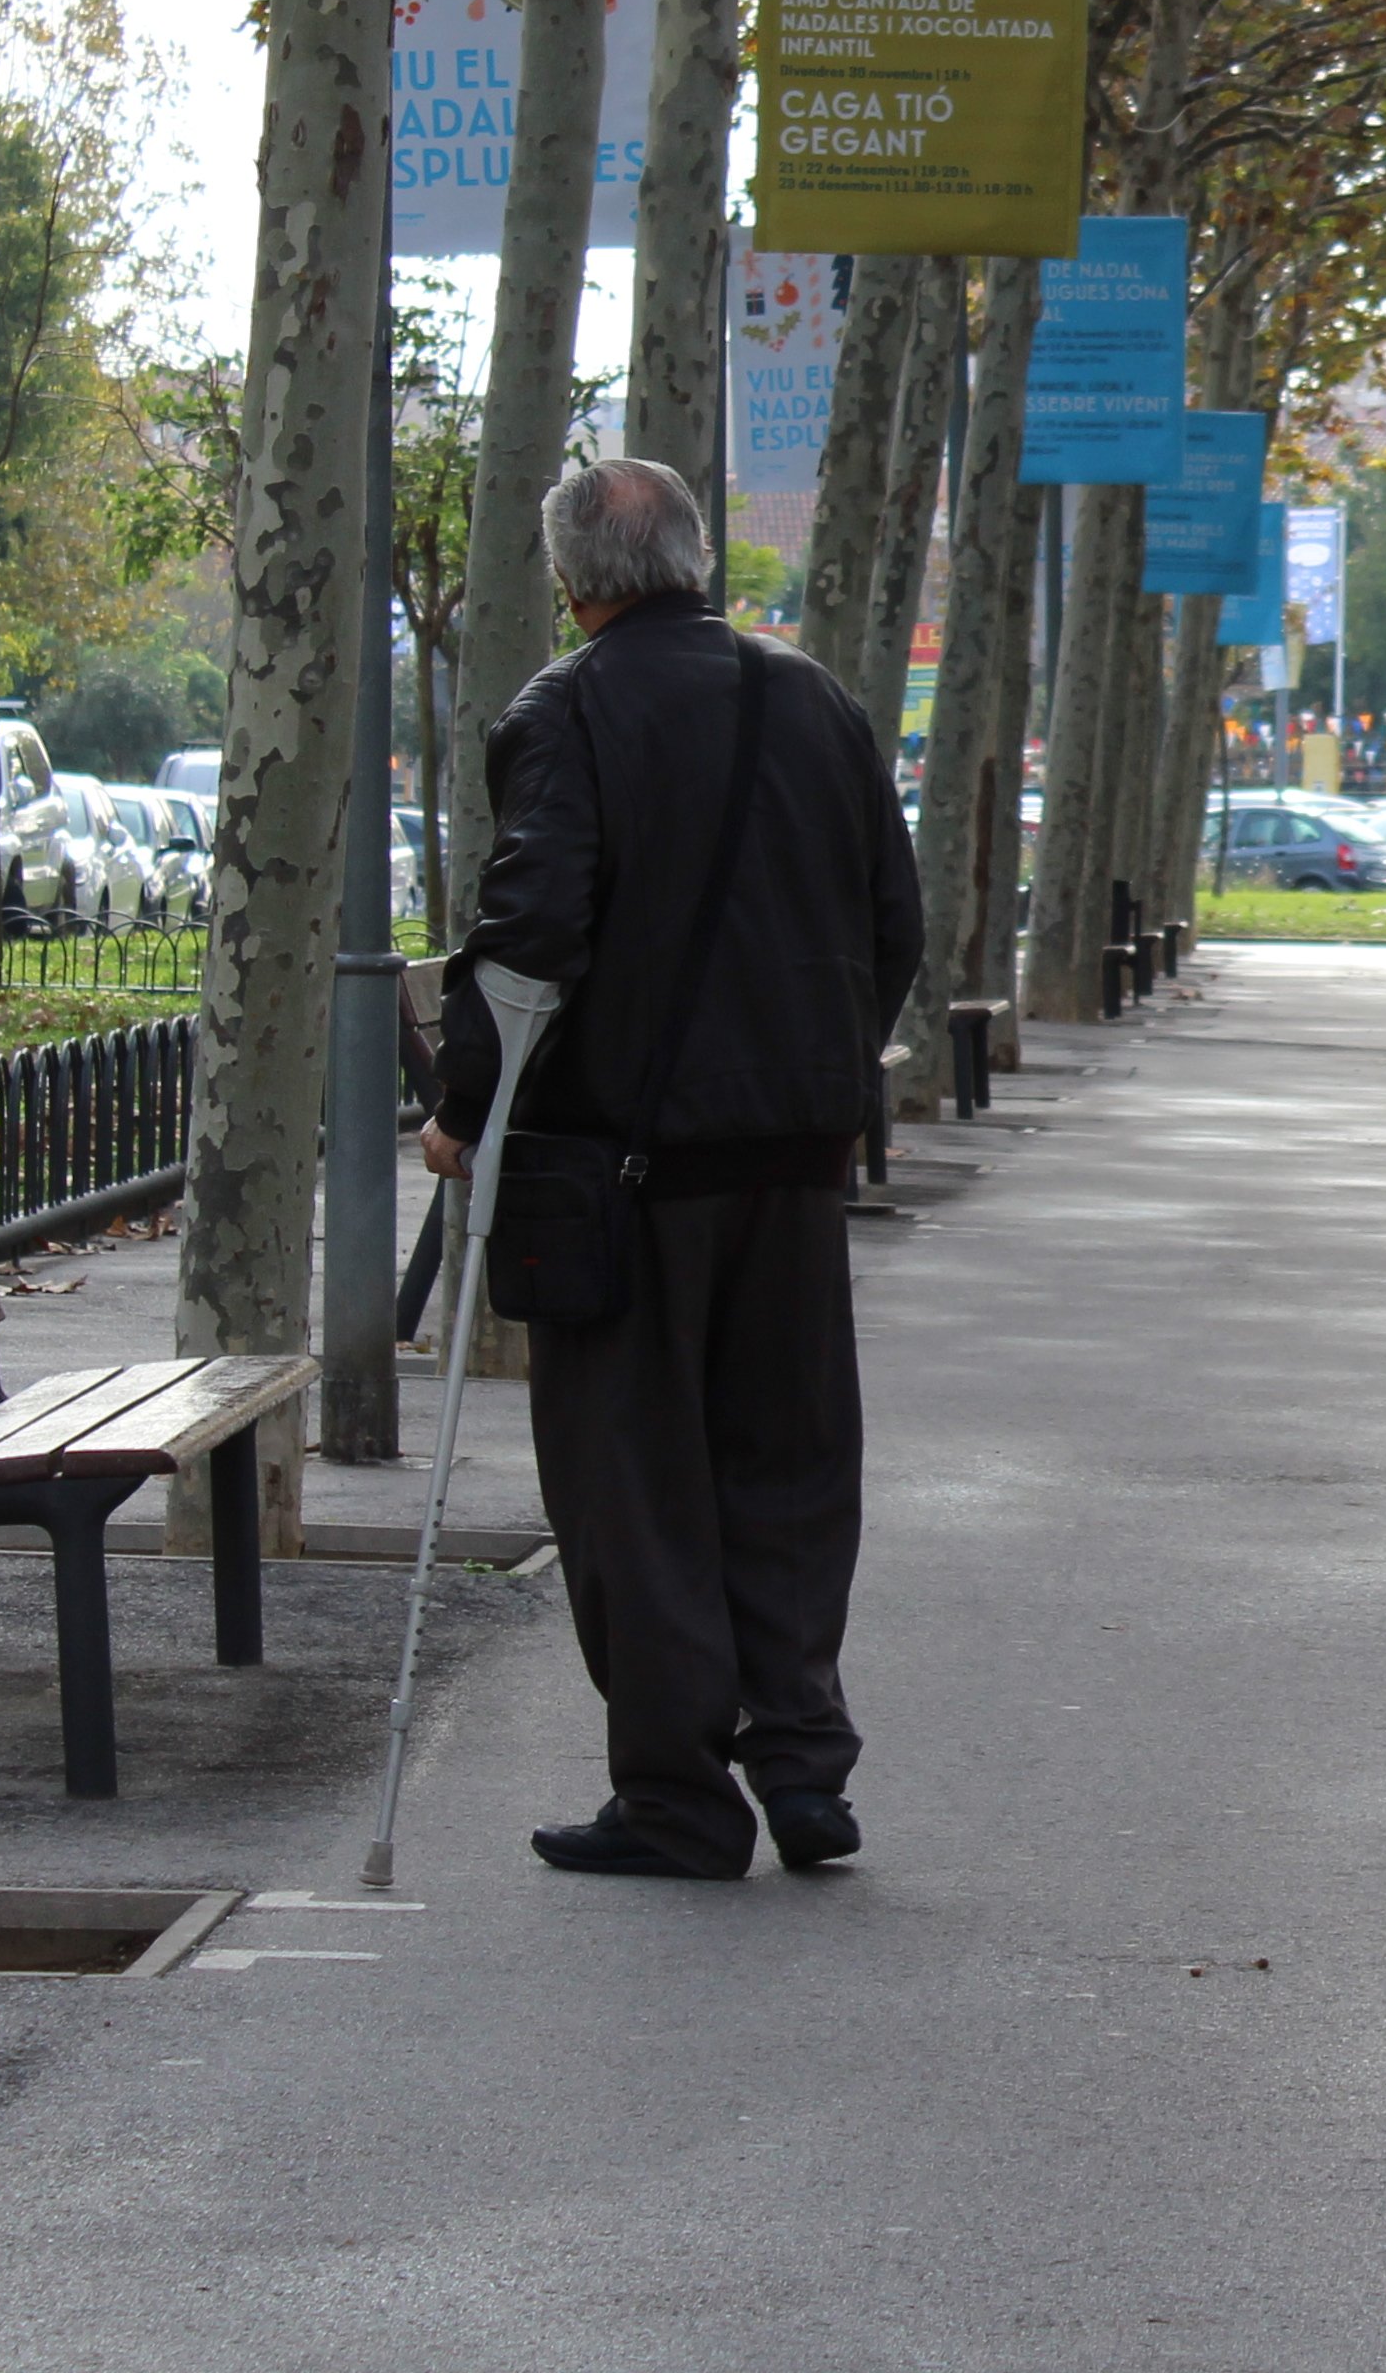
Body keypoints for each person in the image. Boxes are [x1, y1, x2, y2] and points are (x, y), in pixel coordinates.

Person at [423, 458, 925, 1882]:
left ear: (570, 581)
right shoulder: (811, 698)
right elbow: (897, 922)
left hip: (625, 1173)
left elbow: (532, 932)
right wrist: (825, 1078)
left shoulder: (564, 708)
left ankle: (678, 1798)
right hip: (794, 1161)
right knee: (789, 1461)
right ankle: (805, 1762)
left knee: (633, 1484)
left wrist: (468, 1104)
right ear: (697, 561)